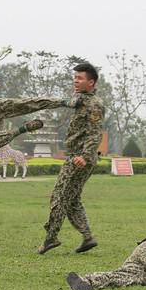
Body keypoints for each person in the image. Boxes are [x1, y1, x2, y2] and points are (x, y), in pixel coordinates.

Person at [38, 62, 105, 255]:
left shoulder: (94, 104)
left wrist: (84, 155)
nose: (75, 81)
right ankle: (87, 237)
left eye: (80, 78)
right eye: (75, 77)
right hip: (78, 156)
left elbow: (95, 133)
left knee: (59, 196)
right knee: (72, 198)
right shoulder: (81, 99)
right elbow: (71, 101)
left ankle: (50, 238)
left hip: (79, 158)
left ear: (91, 82)